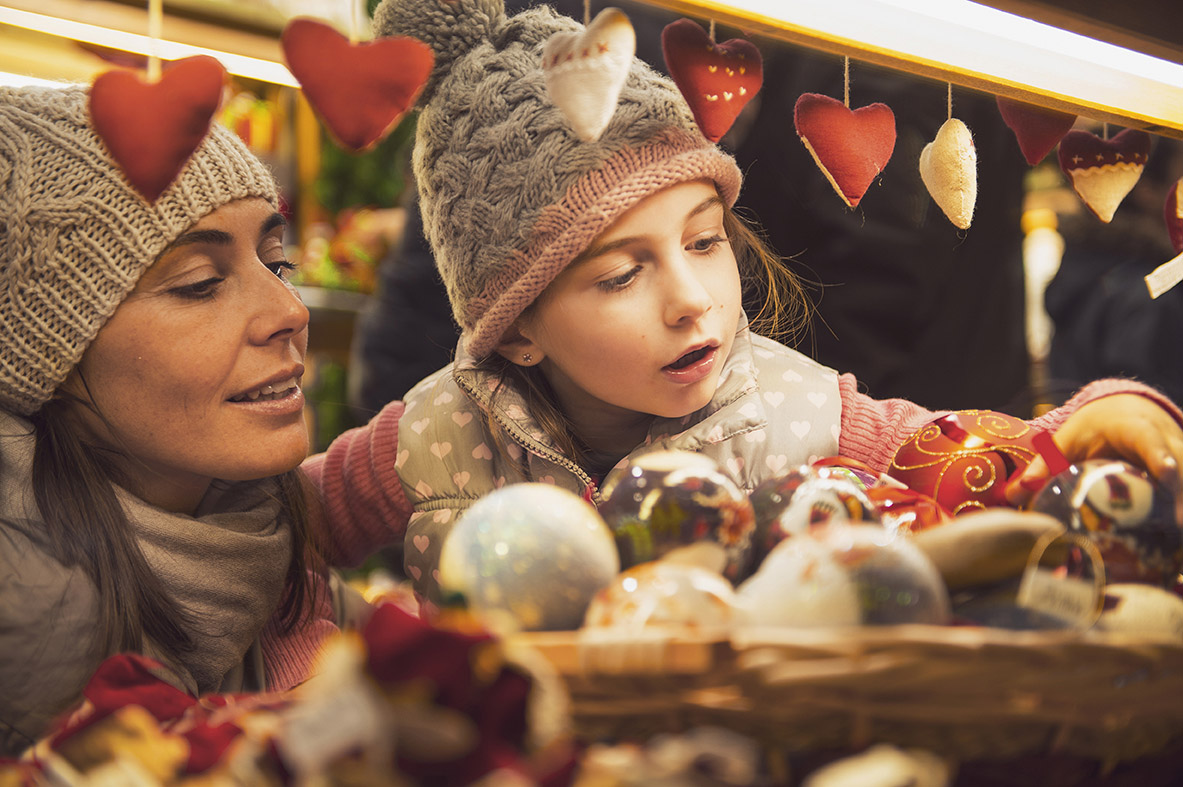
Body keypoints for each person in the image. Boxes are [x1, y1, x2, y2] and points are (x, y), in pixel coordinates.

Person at [307, 0, 1183, 607]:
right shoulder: (431, 439)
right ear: (518, 326)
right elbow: (271, 537)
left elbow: (970, 460)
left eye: (704, 240)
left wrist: (1087, 418)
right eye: (619, 275)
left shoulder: (801, 412)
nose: (694, 303)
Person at [0, 85, 409, 756]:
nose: (290, 311)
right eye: (198, 282)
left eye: (278, 263)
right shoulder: (30, 628)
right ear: (47, 351)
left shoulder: (261, 538)